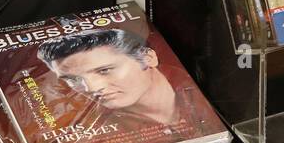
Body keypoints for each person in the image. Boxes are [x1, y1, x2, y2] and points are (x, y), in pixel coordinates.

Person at [37, 28, 194, 130]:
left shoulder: (205, 84)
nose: (90, 88)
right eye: (73, 79)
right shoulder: (87, 131)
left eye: (104, 70)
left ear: (147, 58)